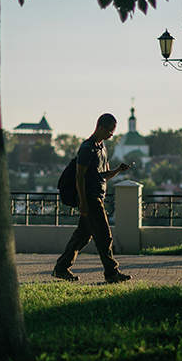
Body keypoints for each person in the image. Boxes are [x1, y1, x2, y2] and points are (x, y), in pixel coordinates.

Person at [53, 113, 132, 283]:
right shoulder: (86, 148)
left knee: (82, 236)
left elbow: (103, 175)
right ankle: (112, 272)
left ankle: (61, 268)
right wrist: (82, 201)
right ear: (101, 127)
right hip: (90, 199)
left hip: (97, 197)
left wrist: (118, 170)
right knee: (104, 236)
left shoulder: (102, 148)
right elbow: (79, 176)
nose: (112, 134)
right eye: (110, 131)